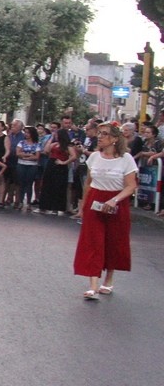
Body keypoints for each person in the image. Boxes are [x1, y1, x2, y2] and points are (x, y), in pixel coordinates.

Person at [74, 123, 138, 299]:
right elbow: (88, 183)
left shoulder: (126, 159)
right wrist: (83, 206)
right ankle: (93, 285)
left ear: (115, 138)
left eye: (104, 134)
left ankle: (108, 280)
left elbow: (131, 186)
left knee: (112, 242)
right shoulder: (94, 157)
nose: (100, 137)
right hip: (95, 201)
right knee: (92, 242)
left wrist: (114, 199)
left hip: (117, 202)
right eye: (99, 134)